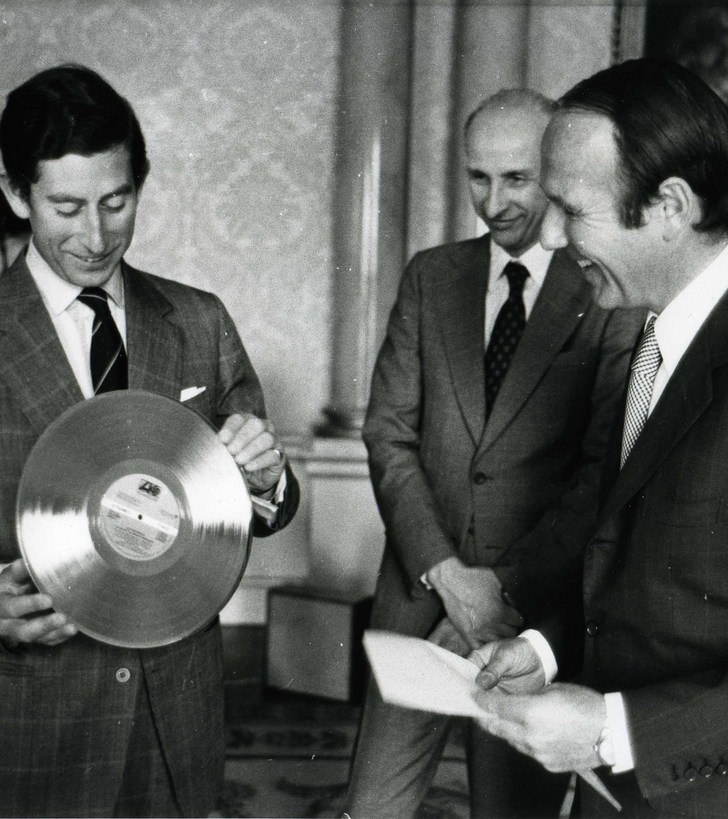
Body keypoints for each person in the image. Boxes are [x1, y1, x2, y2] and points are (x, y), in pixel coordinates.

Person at [0, 64, 299, 818]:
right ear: (14, 194)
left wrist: (264, 479)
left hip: (176, 717)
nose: (95, 236)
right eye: (66, 207)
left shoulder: (198, 321)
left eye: (117, 201)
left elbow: (269, 502)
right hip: (31, 721)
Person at [344, 89, 643, 818]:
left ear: (554, 174)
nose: (494, 199)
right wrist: (448, 574)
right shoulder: (430, 275)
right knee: (371, 803)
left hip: (532, 610)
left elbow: (600, 471)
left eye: (516, 179)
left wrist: (503, 589)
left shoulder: (608, 293)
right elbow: (388, 432)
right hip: (421, 589)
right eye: (478, 177)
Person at [471, 58, 728, 819]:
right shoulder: (655, 333)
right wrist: (546, 649)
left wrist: (616, 731)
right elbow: (638, 556)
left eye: (571, 209)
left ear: (671, 206)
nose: (548, 236)